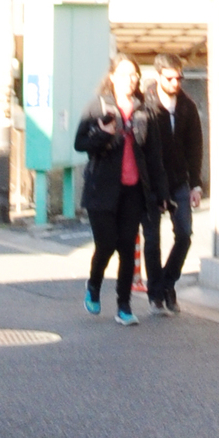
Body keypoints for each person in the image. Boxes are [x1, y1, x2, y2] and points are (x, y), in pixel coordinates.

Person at [74, 53, 153, 325]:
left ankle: (124, 306)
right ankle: (94, 286)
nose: (130, 80)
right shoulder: (98, 107)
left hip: (132, 190)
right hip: (102, 189)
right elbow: (80, 143)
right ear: (112, 77)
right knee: (105, 244)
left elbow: (152, 154)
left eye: (134, 75)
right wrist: (103, 133)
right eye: (124, 74)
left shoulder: (143, 110)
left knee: (127, 247)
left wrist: (160, 194)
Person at [144, 57, 204, 315]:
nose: (175, 82)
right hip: (151, 183)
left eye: (179, 77)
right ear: (158, 76)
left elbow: (195, 147)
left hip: (179, 180)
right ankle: (155, 293)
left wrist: (196, 185)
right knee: (152, 239)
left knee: (184, 234)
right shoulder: (145, 104)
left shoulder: (187, 107)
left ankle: (167, 284)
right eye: (169, 78)